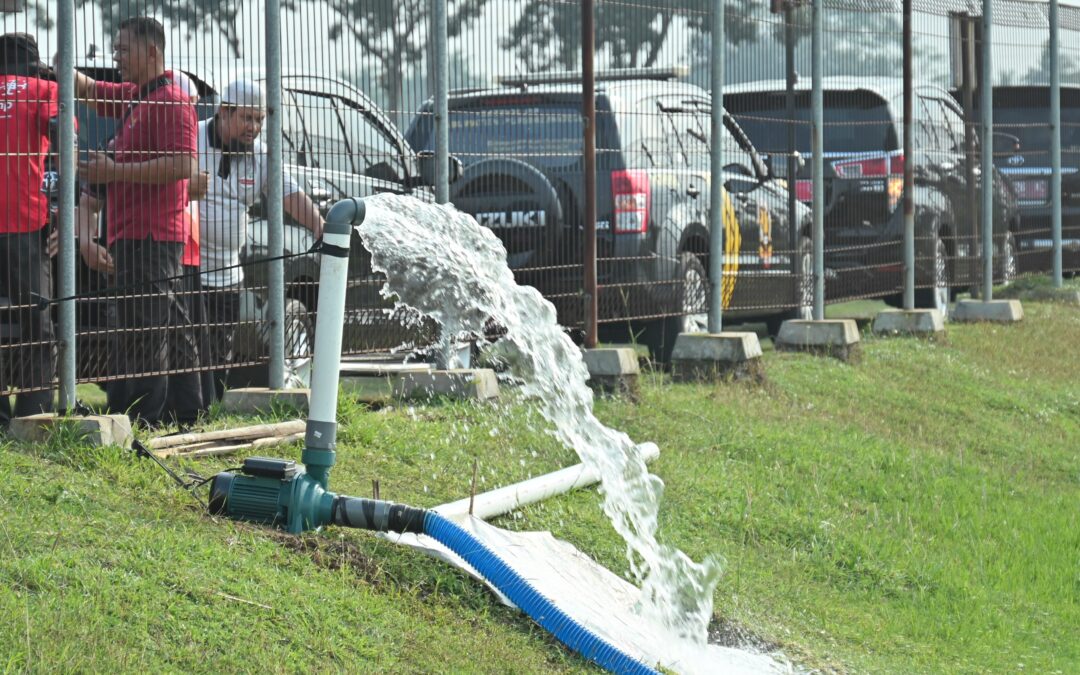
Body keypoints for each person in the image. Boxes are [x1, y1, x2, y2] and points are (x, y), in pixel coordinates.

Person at [73, 17, 199, 426]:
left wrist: (115, 171)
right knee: (168, 327)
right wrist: (53, 67)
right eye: (116, 48)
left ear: (151, 52)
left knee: (143, 333)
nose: (117, 56)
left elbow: (183, 165)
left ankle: (144, 421)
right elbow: (90, 91)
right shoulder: (135, 97)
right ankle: (188, 412)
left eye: (124, 49)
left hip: (151, 235)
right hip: (135, 235)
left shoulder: (171, 101)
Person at [195, 78, 322, 403]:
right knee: (188, 354)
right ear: (224, 111)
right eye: (246, 118)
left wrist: (320, 227)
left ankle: (210, 411)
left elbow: (290, 194)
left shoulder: (261, 156)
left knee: (218, 355)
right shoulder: (192, 140)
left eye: (259, 119)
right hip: (189, 272)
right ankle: (182, 413)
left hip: (228, 276)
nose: (253, 127)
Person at [0, 33, 60, 426]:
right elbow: (66, 142)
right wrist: (62, 212)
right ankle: (34, 414)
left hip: (21, 219)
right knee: (35, 322)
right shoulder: (44, 90)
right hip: (25, 220)